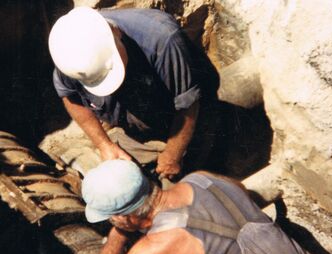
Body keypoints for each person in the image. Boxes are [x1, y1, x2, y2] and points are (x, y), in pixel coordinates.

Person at [81, 159, 332, 254]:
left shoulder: (156, 247)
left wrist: (119, 234)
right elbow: (244, 194)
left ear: (125, 216)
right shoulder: (203, 178)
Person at [48, 6, 220, 180]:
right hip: (136, 119)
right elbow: (70, 95)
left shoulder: (162, 40)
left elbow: (188, 104)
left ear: (117, 34)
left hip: (189, 115)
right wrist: (103, 144)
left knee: (183, 180)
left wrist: (172, 156)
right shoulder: (69, 53)